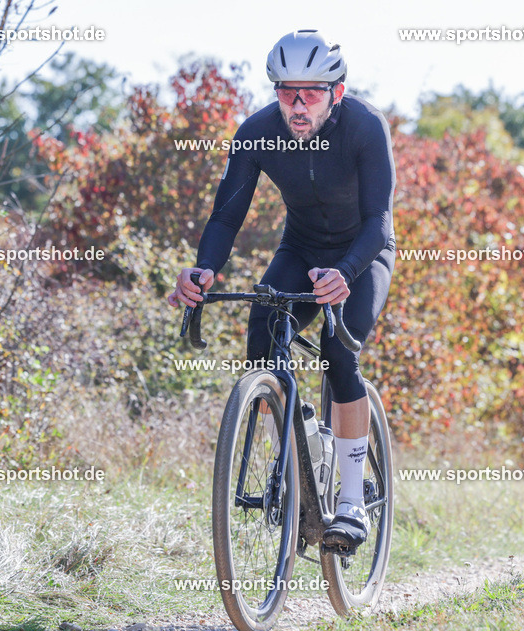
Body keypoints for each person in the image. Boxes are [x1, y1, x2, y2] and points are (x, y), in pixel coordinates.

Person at [167, 29, 396, 553]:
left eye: (310, 93)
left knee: (340, 355)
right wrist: (203, 269)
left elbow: (379, 221)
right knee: (261, 342)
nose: (296, 104)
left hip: (364, 254)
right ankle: (297, 448)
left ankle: (351, 500)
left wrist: (346, 271)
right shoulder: (256, 132)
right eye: (286, 91)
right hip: (302, 249)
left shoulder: (364, 126)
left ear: (335, 93)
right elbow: (226, 215)